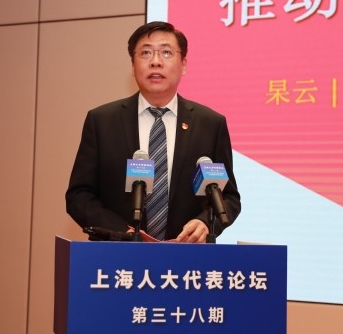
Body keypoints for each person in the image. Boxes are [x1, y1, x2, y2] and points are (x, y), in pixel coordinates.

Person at [65, 21, 241, 243]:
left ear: (183, 65)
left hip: (187, 256)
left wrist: (205, 223)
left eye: (166, 53)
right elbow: (79, 196)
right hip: (117, 255)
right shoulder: (102, 121)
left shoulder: (210, 124)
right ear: (132, 66)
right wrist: (122, 232)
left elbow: (229, 197)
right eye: (146, 53)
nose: (155, 61)